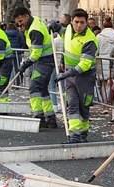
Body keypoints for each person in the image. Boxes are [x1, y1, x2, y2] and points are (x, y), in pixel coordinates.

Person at [55, 9, 99, 143]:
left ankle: (83, 133)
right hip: (70, 76)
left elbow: (84, 65)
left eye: (82, 22)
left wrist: (65, 74)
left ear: (86, 23)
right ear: (72, 21)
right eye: (76, 22)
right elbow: (64, 33)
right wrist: (55, 27)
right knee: (72, 104)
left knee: (83, 107)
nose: (79, 25)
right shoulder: (68, 29)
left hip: (85, 77)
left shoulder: (90, 40)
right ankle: (74, 134)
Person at [14, 7, 57, 129]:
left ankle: (38, 117)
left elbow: (37, 52)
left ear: (27, 16)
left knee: (34, 87)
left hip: (45, 62)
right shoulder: (35, 22)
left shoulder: (34, 30)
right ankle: (50, 117)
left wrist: (24, 64)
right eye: (18, 21)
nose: (19, 24)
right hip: (44, 61)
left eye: (21, 20)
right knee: (42, 89)